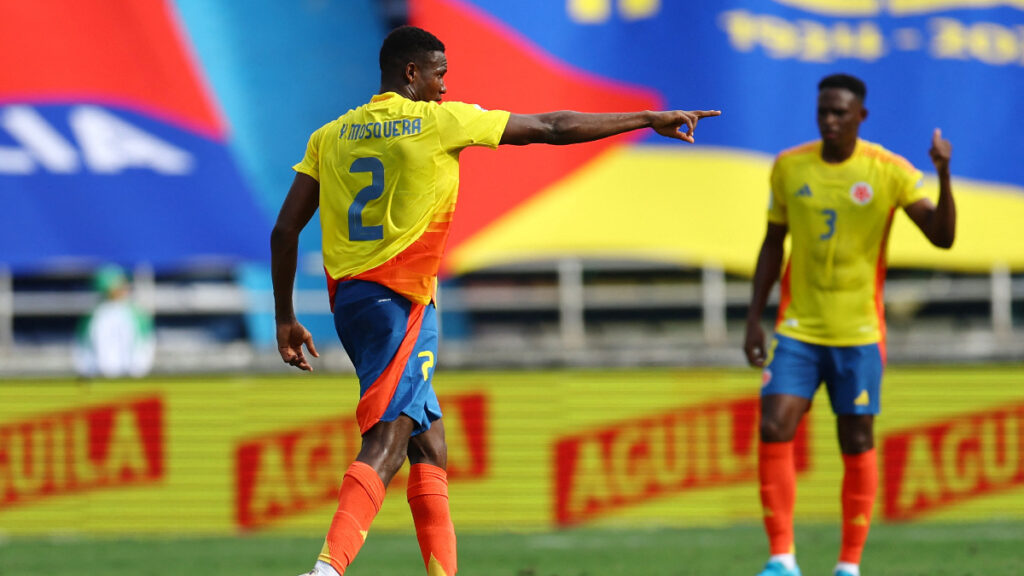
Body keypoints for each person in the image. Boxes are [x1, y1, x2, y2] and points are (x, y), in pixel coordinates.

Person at [271, 25, 719, 576]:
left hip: (352, 303)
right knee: (387, 437)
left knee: (429, 444)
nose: (444, 86)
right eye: (439, 74)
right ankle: (326, 569)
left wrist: (285, 317)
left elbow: (285, 231)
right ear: (411, 73)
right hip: (402, 302)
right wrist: (647, 119)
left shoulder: (330, 136)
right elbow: (551, 127)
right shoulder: (440, 121)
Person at [743, 73, 955, 576]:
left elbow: (942, 237)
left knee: (856, 440)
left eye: (840, 113)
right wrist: (753, 318)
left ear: (861, 116)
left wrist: (944, 176)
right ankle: (781, 559)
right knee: (773, 426)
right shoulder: (790, 166)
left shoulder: (888, 171)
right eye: (823, 112)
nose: (830, 121)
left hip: (859, 333)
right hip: (798, 328)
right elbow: (773, 244)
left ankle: (848, 565)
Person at [72, 264, 155, 378]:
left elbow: (145, 345)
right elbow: (82, 348)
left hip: (129, 379)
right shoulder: (92, 316)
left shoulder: (136, 315)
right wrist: (90, 373)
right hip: (99, 379)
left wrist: (137, 372)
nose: (124, 288)